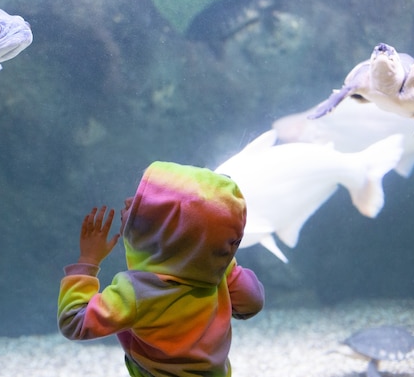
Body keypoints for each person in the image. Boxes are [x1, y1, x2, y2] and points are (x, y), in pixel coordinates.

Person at [57, 161, 265, 377]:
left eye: (141, 205)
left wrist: (88, 261)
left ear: (163, 234)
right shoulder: (218, 274)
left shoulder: (138, 292)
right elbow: (251, 303)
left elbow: (74, 322)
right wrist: (220, 256)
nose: (128, 202)